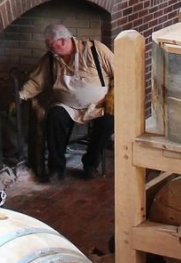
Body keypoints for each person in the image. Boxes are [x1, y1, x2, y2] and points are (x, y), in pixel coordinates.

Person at [19, 23, 115, 183]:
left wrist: (113, 94)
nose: (50, 47)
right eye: (48, 45)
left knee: (108, 123)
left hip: (98, 105)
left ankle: (91, 164)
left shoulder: (95, 50)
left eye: (51, 44)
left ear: (63, 41)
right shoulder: (51, 58)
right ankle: (57, 168)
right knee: (54, 116)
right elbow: (36, 82)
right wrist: (20, 96)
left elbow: (121, 72)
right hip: (67, 106)